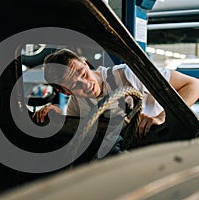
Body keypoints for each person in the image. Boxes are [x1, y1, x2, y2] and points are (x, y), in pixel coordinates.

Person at [32, 48, 199, 151]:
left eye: (84, 73)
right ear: (65, 91)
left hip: (161, 148)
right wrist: (57, 116)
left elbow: (193, 84)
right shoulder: (77, 105)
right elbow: (78, 138)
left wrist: (162, 117)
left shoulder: (129, 74)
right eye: (74, 85)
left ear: (84, 62)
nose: (86, 84)